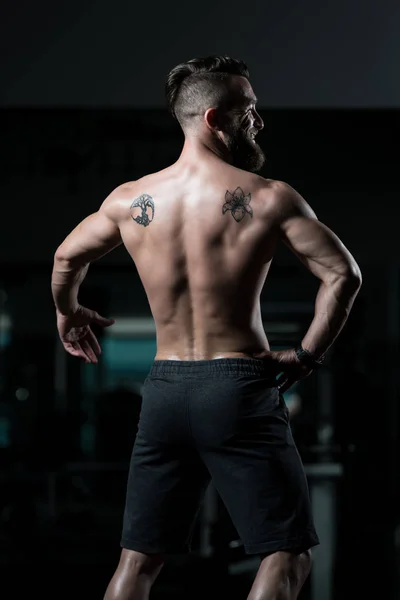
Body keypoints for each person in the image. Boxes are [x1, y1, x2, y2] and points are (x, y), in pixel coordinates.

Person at [51, 55, 362, 600]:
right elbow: (344, 274)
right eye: (250, 110)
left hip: (165, 390)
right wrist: (308, 355)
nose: (258, 122)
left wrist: (68, 311)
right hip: (238, 386)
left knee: (138, 561)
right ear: (215, 118)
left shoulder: (130, 200)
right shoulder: (268, 197)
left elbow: (65, 259)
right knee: (285, 556)